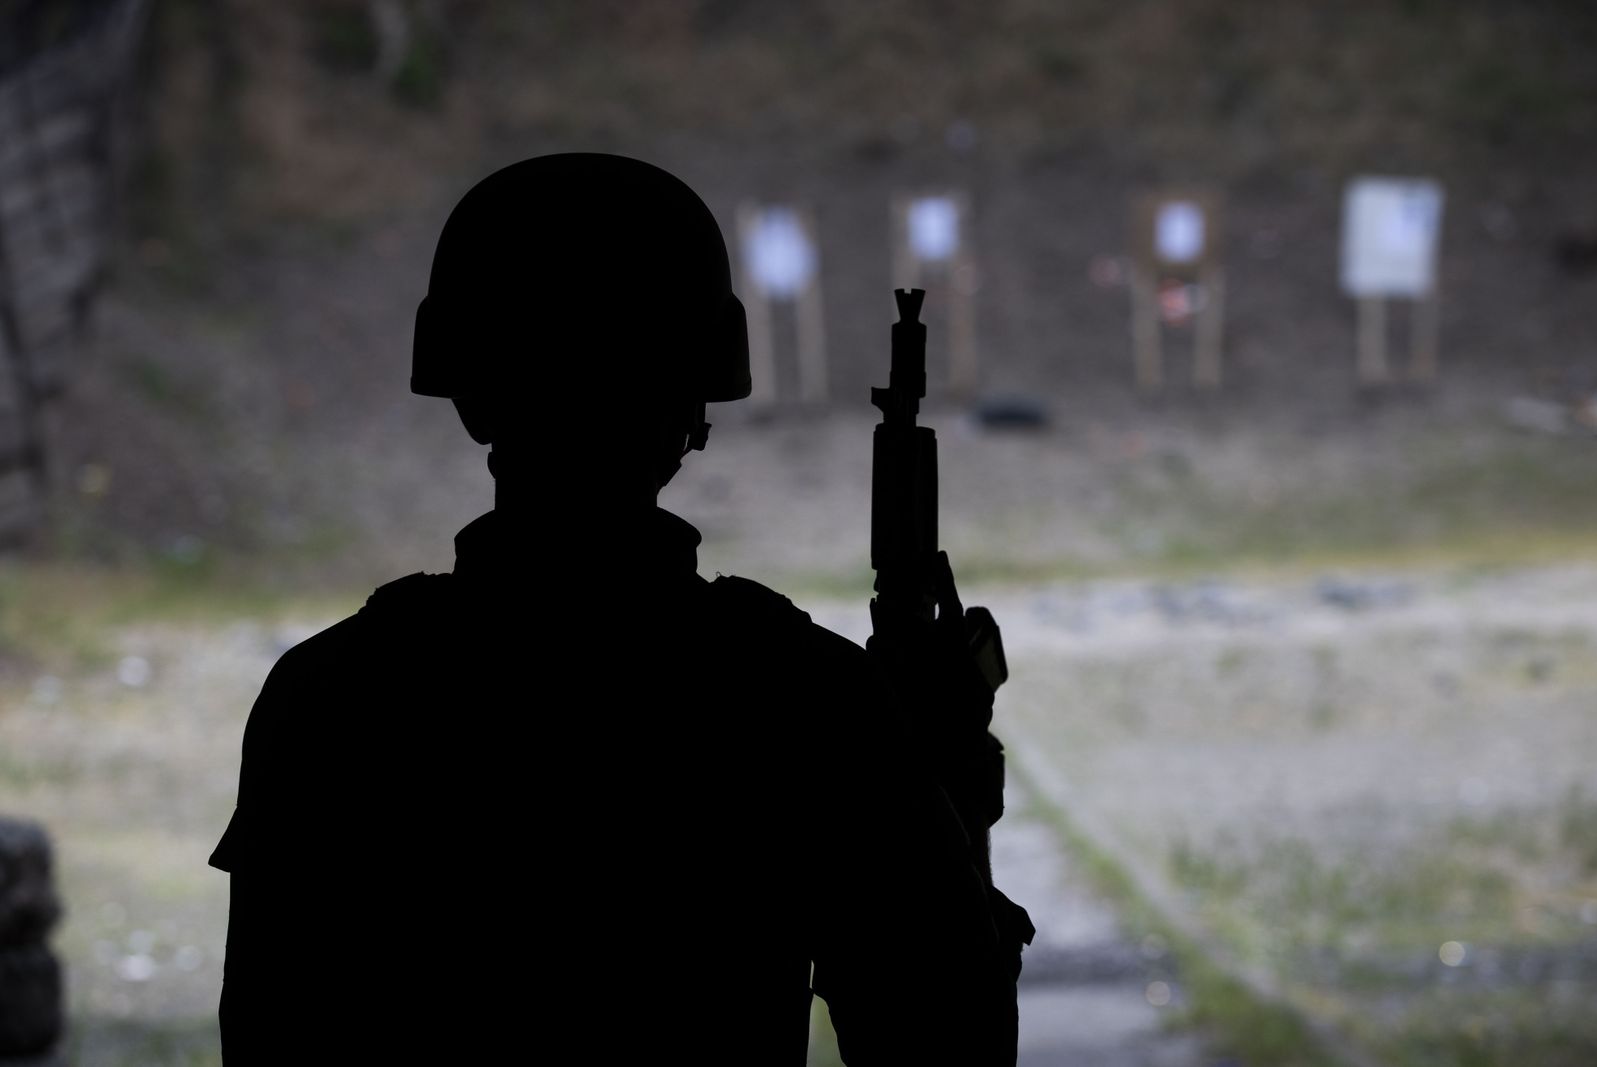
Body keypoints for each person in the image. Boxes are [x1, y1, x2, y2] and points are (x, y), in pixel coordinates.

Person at [210, 153, 1029, 1064]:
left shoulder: (331, 694)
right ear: (694, 407)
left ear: (471, 398)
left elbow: (266, 1039)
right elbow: (951, 1044)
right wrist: (950, 786)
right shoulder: (801, 693)